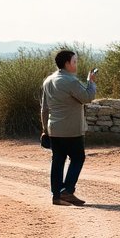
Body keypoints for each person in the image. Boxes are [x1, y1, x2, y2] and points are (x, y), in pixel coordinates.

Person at [41, 50, 97, 206]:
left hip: (54, 129)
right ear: (66, 63)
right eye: (74, 62)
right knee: (78, 158)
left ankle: (56, 196)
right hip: (71, 129)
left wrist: (45, 129)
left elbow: (44, 109)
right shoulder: (70, 81)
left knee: (57, 161)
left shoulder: (48, 81)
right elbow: (87, 97)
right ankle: (68, 190)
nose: (76, 64)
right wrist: (90, 82)